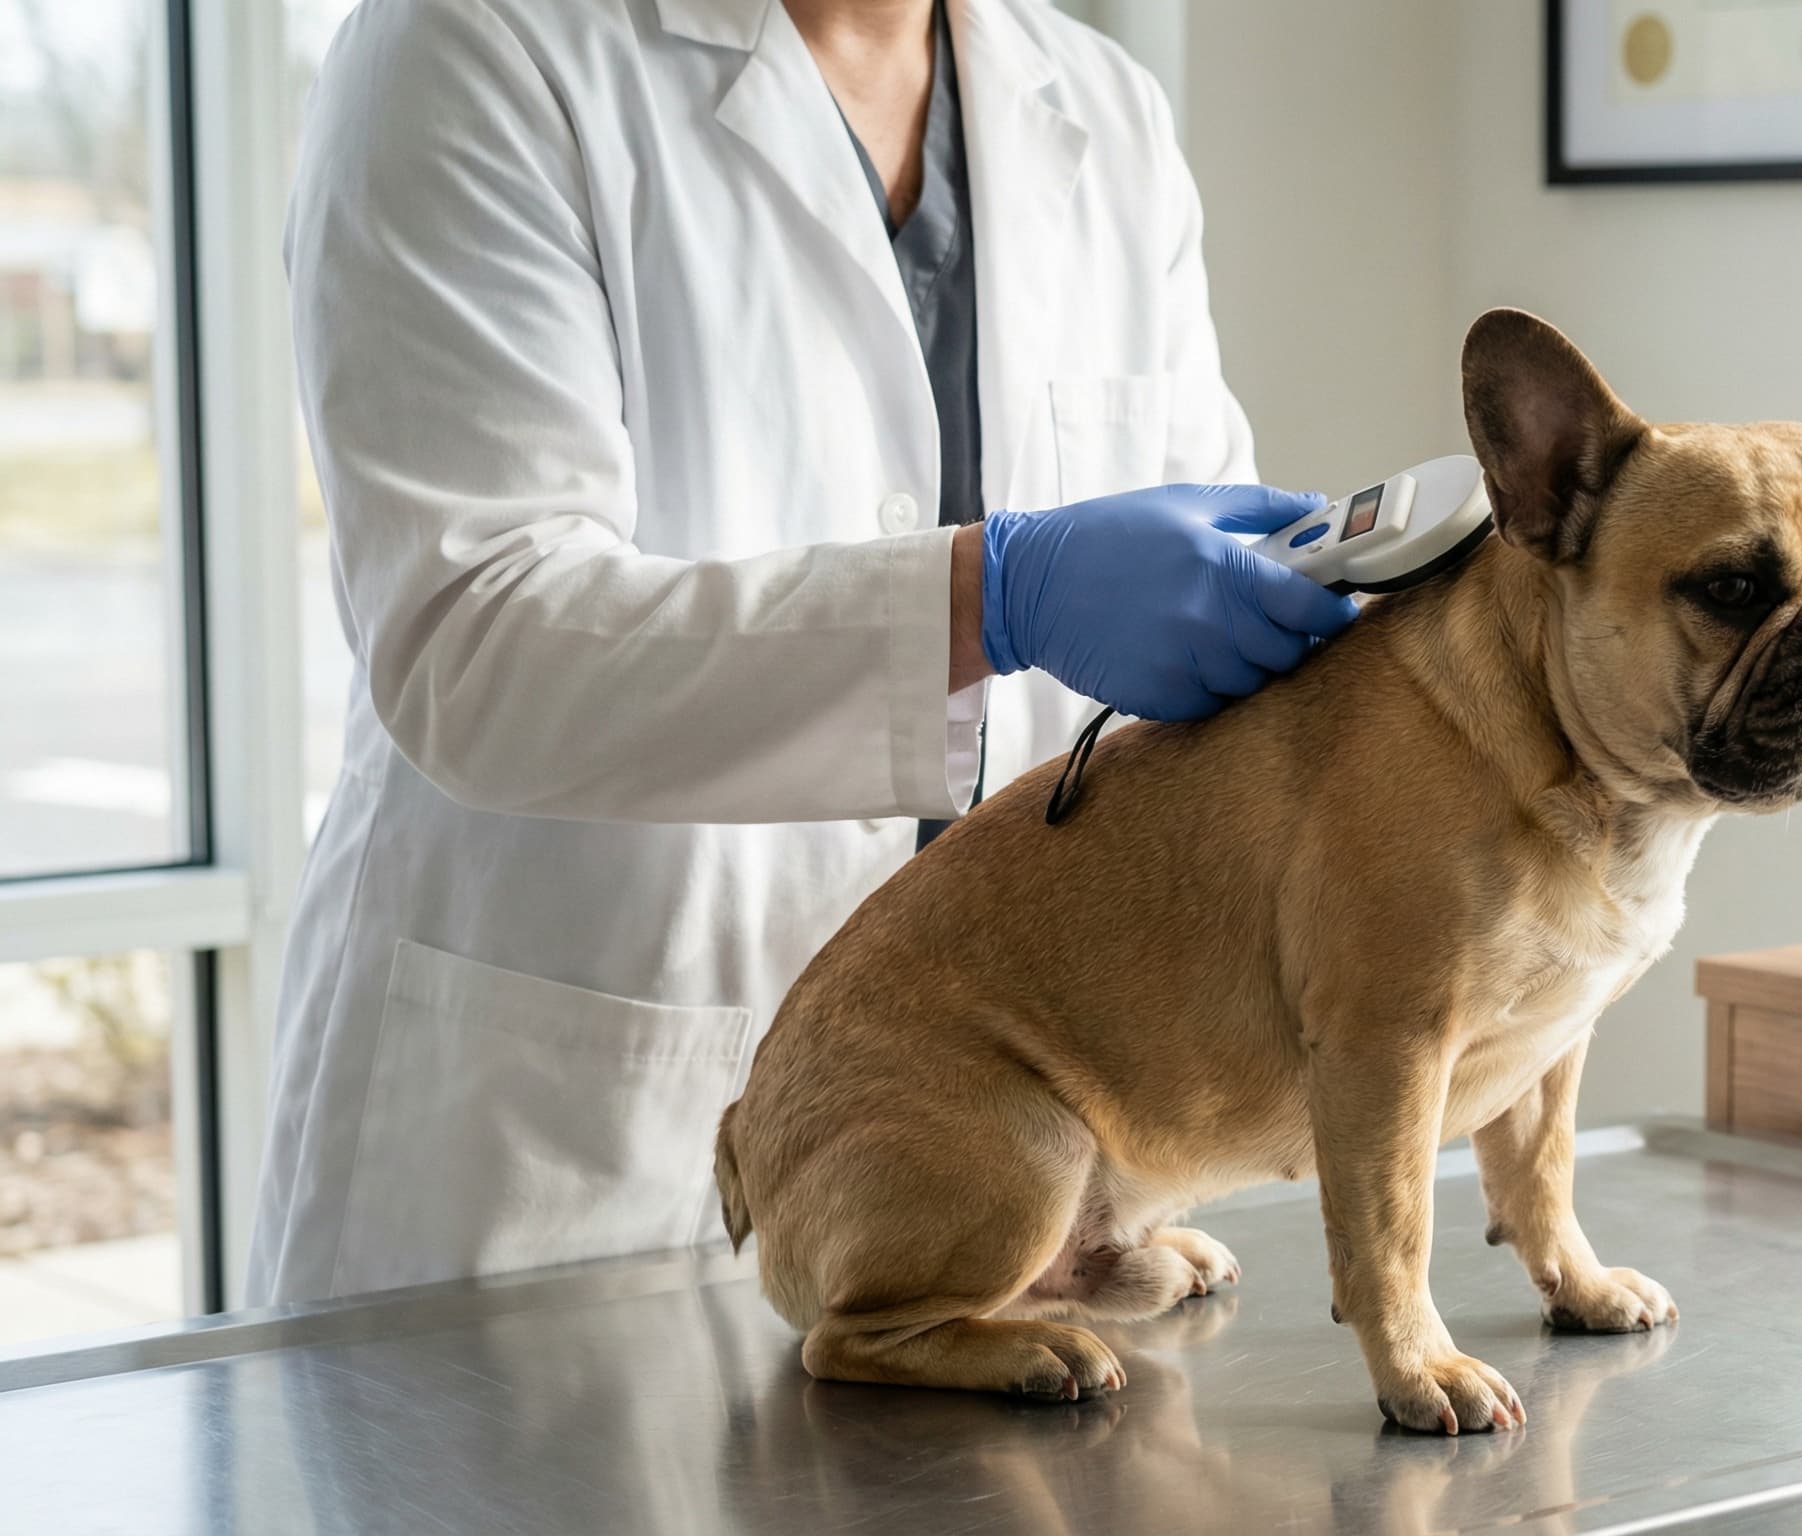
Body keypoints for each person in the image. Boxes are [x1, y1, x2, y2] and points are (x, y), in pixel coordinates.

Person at [246, 0, 1354, 1305]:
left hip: (997, 1175)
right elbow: (479, 644)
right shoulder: (474, 45)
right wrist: (987, 597)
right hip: (573, 1169)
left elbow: (1203, 624)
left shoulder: (1101, 109)